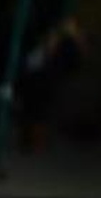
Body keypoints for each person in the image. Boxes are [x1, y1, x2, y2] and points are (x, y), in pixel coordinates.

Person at [19, 18, 85, 152]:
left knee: (38, 111)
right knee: (37, 111)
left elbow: (71, 61)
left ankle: (33, 141)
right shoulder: (63, 42)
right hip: (44, 78)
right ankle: (32, 141)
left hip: (46, 78)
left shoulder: (67, 43)